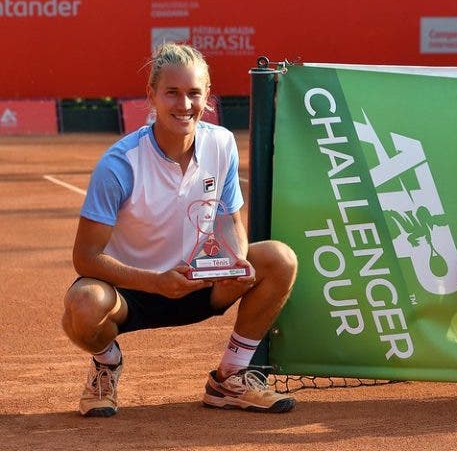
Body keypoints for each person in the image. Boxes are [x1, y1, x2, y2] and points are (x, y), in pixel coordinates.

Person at [62, 43, 298, 417]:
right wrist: (156, 282)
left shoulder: (221, 144)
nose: (184, 104)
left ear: (207, 98)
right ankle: (106, 364)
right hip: (131, 295)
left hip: (200, 284)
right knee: (84, 305)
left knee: (278, 260)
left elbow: (230, 219)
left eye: (194, 93)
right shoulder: (119, 164)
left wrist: (234, 265)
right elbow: (85, 257)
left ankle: (231, 377)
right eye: (172, 92)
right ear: (152, 96)